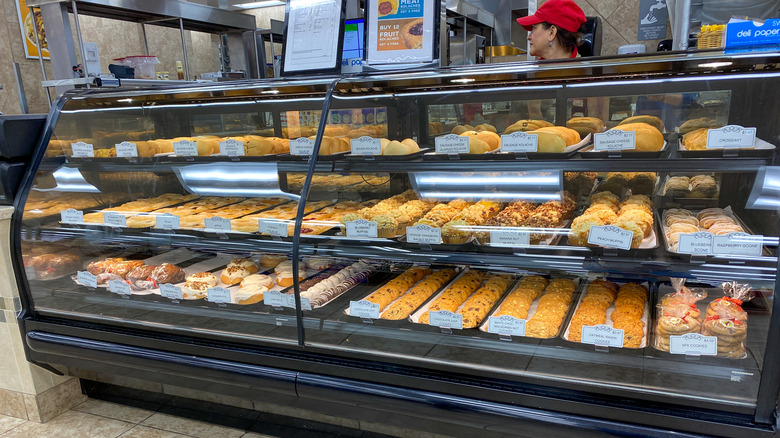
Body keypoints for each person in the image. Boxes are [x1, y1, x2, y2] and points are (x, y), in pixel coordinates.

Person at [517, 0, 587, 60]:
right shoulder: (540, 71)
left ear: (552, 33)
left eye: (534, 28)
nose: (528, 37)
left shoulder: (577, 74)